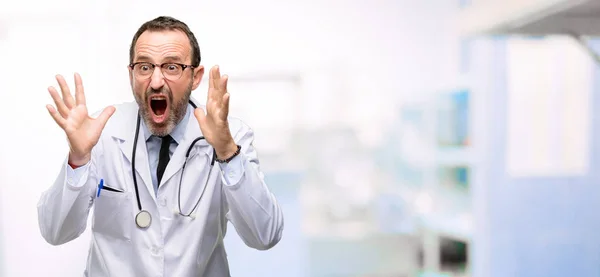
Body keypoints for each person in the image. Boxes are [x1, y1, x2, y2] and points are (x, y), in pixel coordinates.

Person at [37, 16, 284, 276]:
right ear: (131, 73)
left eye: (172, 67)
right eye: (144, 67)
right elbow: (56, 231)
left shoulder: (230, 136)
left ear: (196, 76)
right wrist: (78, 158)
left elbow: (264, 235)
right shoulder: (101, 132)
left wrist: (226, 153)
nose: (155, 81)